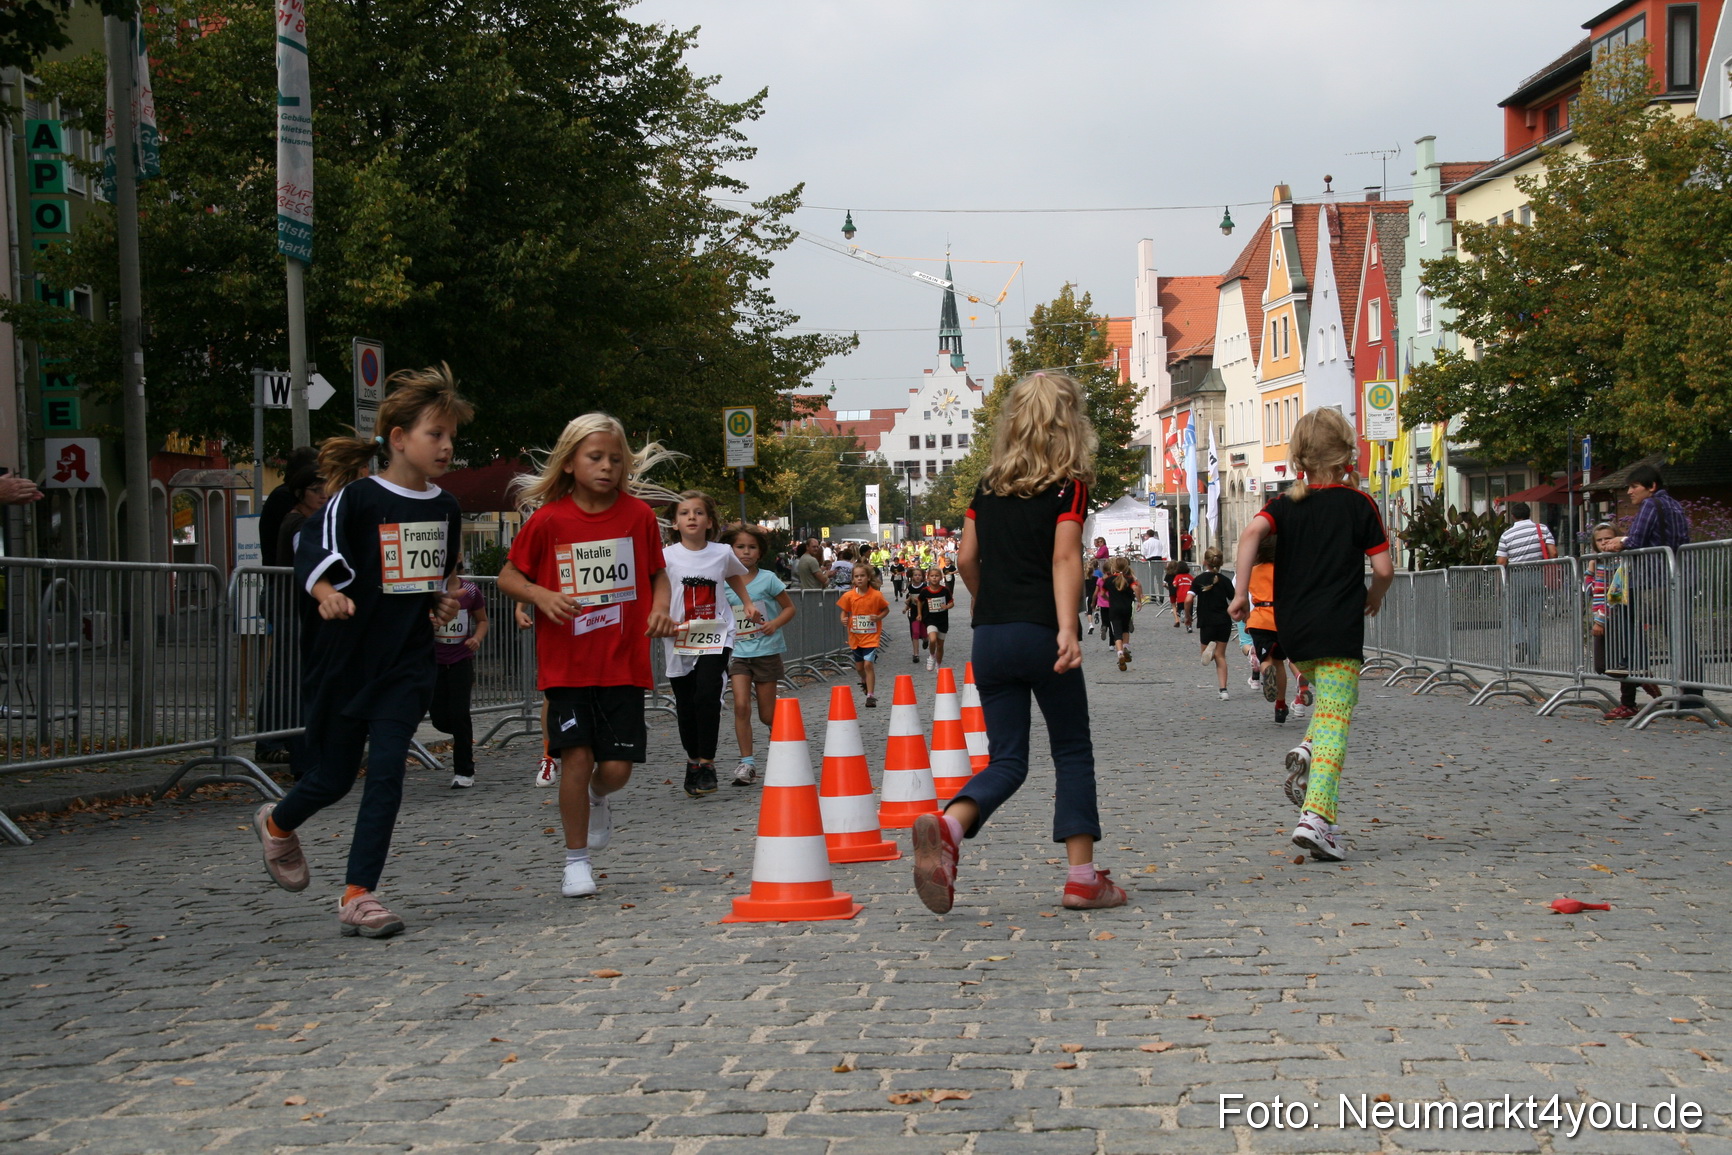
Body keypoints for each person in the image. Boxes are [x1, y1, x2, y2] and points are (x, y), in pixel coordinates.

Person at [250, 366, 470, 938]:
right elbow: (312, 550)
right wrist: (326, 593)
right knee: (333, 777)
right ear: (398, 437)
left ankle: (358, 894)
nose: (446, 446)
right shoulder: (356, 498)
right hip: (346, 658)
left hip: (406, 662)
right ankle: (278, 823)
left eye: (451, 436)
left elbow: (436, 579)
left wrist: (442, 602)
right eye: (435, 434)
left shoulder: (446, 506)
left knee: (389, 771)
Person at [913, 371, 1124, 915]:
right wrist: (1067, 628)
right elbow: (1064, 556)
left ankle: (949, 826)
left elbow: (965, 558)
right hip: (1042, 634)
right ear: (1069, 422)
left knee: (1007, 759)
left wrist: (989, 604)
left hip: (991, 637)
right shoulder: (1069, 485)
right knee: (1071, 750)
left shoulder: (988, 486)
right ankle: (1082, 878)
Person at [498, 413, 678, 898]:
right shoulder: (548, 520)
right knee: (575, 759)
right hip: (567, 664)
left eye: (615, 460)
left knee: (615, 770)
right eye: (595, 457)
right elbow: (509, 575)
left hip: (623, 662)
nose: (606, 467)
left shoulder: (638, 516)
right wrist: (540, 595)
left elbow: (657, 574)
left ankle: (599, 796)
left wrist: (660, 607)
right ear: (569, 462)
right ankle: (575, 862)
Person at [1229, 407, 1393, 863]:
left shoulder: (1283, 505)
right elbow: (1383, 569)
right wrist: (1374, 596)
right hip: (1339, 628)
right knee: (1337, 719)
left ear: (1298, 457)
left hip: (1295, 631)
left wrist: (1240, 594)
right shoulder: (1359, 504)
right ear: (1346, 454)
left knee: (1335, 703)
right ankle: (1317, 818)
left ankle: (1308, 745)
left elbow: (1250, 535)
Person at [662, 491, 761, 797]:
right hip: (678, 634)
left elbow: (733, 577)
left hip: (717, 633)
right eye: (684, 513)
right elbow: (656, 589)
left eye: (698, 512)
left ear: (709, 521)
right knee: (686, 703)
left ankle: (707, 763)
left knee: (706, 694)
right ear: (675, 523)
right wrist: (658, 616)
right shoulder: (665, 556)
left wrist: (747, 603)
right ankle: (693, 762)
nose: (691, 517)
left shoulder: (722, 552)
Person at [1605, 464, 1704, 709]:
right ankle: (1691, 694)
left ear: (1652, 487)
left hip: (1657, 579)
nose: (1630, 491)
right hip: (1680, 576)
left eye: (1634, 486)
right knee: (1681, 635)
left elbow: (1637, 539)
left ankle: (1632, 666)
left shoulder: (1650, 504)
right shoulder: (1674, 504)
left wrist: (1620, 541)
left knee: (1631, 619)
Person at [724, 523, 796, 785]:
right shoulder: (724, 581)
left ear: (760, 552)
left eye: (752, 547)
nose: (746, 552)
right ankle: (747, 763)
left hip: (766, 651)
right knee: (741, 705)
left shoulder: (768, 579)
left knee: (767, 714)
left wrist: (774, 624)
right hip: (739, 652)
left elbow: (789, 608)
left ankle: (783, 745)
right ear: (730, 550)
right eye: (740, 547)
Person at [430, 569, 489, 788]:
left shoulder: (471, 590)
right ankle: (460, 732)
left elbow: (482, 620)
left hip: (460, 660)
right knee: (439, 718)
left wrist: (477, 638)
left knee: (460, 714)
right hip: (433, 661)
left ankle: (464, 771)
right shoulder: (429, 590)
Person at [1495, 500, 1555, 665]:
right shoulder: (1542, 529)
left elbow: (1501, 561)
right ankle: (1534, 656)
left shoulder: (1506, 535)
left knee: (1515, 613)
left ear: (1513, 516)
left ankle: (1520, 641)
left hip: (1516, 576)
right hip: (1537, 574)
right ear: (1529, 514)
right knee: (1535, 616)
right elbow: (1553, 552)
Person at [1246, 535, 1291, 723]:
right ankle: (1280, 706)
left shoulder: (1252, 571)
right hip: (1281, 619)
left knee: (1265, 659)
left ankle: (1266, 672)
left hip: (1259, 619)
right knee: (1280, 662)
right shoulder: (1286, 571)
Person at [837, 563, 890, 707]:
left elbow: (886, 609)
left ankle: (870, 696)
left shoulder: (876, 595)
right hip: (855, 637)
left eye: (862, 576)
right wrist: (843, 618)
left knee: (868, 665)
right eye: (856, 576)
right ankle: (864, 680)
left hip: (871, 637)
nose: (859, 579)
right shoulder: (849, 596)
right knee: (860, 668)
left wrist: (878, 617)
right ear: (853, 579)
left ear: (868, 578)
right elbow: (844, 611)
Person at [1189, 547, 1235, 700]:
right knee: (1221, 656)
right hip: (1223, 621)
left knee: (1205, 657)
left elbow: (1188, 599)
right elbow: (1234, 599)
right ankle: (1224, 690)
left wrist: (1188, 616)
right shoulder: (1226, 581)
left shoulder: (1199, 579)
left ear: (1204, 562)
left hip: (1206, 621)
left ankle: (1210, 648)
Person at [1101, 556, 1140, 671]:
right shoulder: (1129, 579)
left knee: (1116, 632)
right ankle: (1126, 647)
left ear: (1113, 567)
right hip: (1127, 608)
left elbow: (1102, 594)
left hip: (1114, 609)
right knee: (1125, 629)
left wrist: (1109, 599)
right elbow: (1136, 588)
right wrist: (1139, 601)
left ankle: (1120, 654)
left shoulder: (1109, 580)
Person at [916, 565, 954, 672]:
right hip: (930, 619)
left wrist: (947, 606)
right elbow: (919, 601)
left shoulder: (945, 590)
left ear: (941, 577)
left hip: (942, 620)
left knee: (940, 645)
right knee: (932, 639)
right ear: (928, 577)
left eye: (937, 576)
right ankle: (932, 656)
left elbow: (951, 602)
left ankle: (938, 665)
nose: (934, 578)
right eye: (932, 576)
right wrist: (919, 614)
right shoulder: (925, 591)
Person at [1167, 559, 1193, 631]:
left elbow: (1174, 585)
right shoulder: (1190, 576)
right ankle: (1189, 626)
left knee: (1180, 609)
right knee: (1189, 613)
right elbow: (1193, 583)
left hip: (1180, 597)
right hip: (1189, 597)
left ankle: (1181, 614)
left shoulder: (1178, 576)